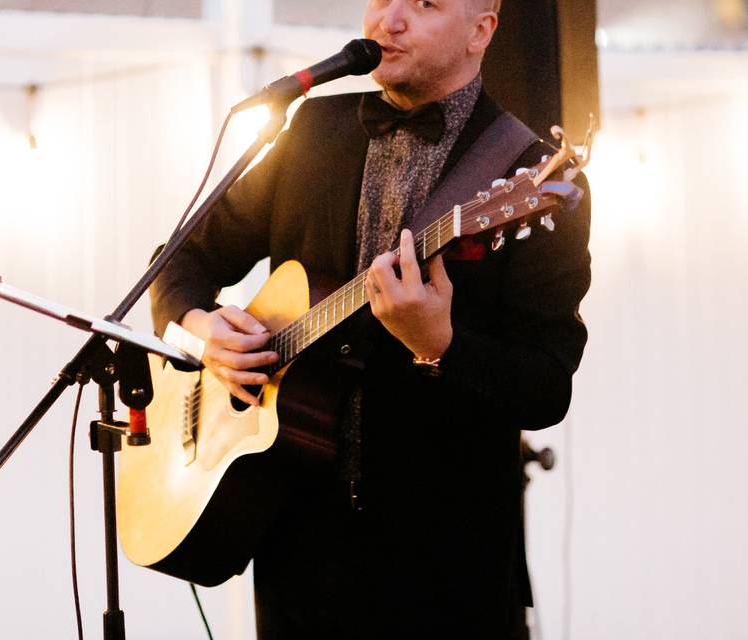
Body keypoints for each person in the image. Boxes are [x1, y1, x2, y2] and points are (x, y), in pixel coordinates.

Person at [150, 0, 591, 637]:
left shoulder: (529, 175)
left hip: (447, 573)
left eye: (426, 3)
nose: (390, 18)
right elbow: (184, 255)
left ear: (481, 30)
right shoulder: (310, 129)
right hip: (295, 552)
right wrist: (200, 325)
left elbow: (546, 386)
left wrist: (440, 343)